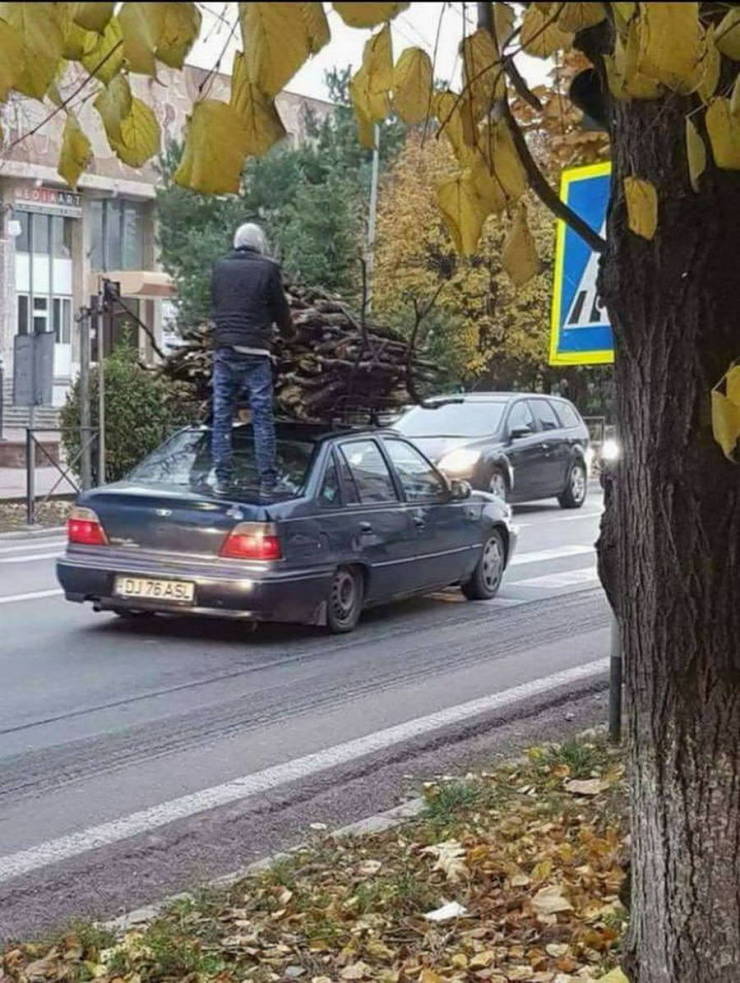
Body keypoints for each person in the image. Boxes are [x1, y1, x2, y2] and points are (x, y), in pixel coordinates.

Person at [210, 222, 292, 496]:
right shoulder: (268, 268)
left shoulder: (220, 267)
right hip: (256, 353)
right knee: (261, 416)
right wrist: (290, 335)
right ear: (259, 244)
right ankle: (267, 479)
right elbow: (280, 308)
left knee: (222, 415)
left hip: (225, 350)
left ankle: (222, 477)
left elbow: (218, 303)